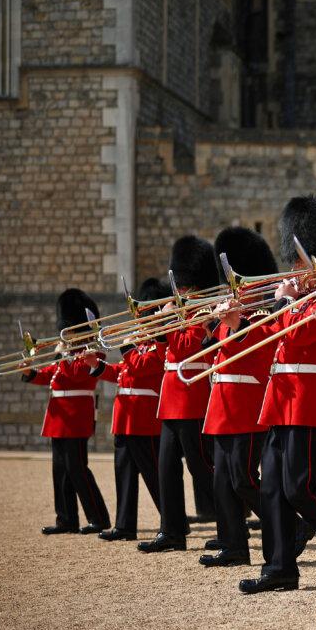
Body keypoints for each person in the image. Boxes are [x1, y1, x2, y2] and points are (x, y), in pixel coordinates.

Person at [239, 196, 316, 593]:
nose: (292, 269)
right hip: (282, 398)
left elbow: (303, 332)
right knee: (271, 486)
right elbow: (273, 335)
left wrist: (286, 302)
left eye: (298, 260)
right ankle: (279, 568)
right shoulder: (299, 295)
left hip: (310, 398)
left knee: (300, 487)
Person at [199, 226, 280, 567]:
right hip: (222, 404)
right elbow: (209, 354)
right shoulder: (231, 314)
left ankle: (287, 523)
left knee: (243, 478)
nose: (234, 288)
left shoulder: (263, 314)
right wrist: (209, 326)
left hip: (246, 403)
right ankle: (235, 545)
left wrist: (232, 325)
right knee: (222, 480)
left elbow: (255, 351)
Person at [139, 236, 219, 554]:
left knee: (201, 467)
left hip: (191, 397)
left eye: (185, 285)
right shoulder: (183, 310)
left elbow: (187, 349)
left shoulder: (204, 311)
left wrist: (169, 319)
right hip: (171, 398)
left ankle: (233, 520)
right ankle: (171, 530)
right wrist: (162, 324)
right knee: (166, 467)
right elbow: (165, 350)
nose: (180, 291)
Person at [87, 277, 170, 541]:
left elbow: (144, 367)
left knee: (154, 476)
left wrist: (126, 346)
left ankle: (172, 522)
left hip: (144, 418)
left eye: (143, 314)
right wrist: (97, 366)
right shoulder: (140, 342)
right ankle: (125, 525)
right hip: (125, 417)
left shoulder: (159, 344)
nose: (139, 319)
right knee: (124, 473)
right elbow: (123, 373)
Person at [23, 288, 112, 535]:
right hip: (58, 416)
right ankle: (66, 519)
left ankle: (99, 518)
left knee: (77, 468)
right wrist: (30, 372)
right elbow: (53, 377)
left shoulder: (92, 351)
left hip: (76, 416)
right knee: (60, 469)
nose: (66, 334)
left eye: (70, 329)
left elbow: (77, 376)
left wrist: (63, 355)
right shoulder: (68, 352)